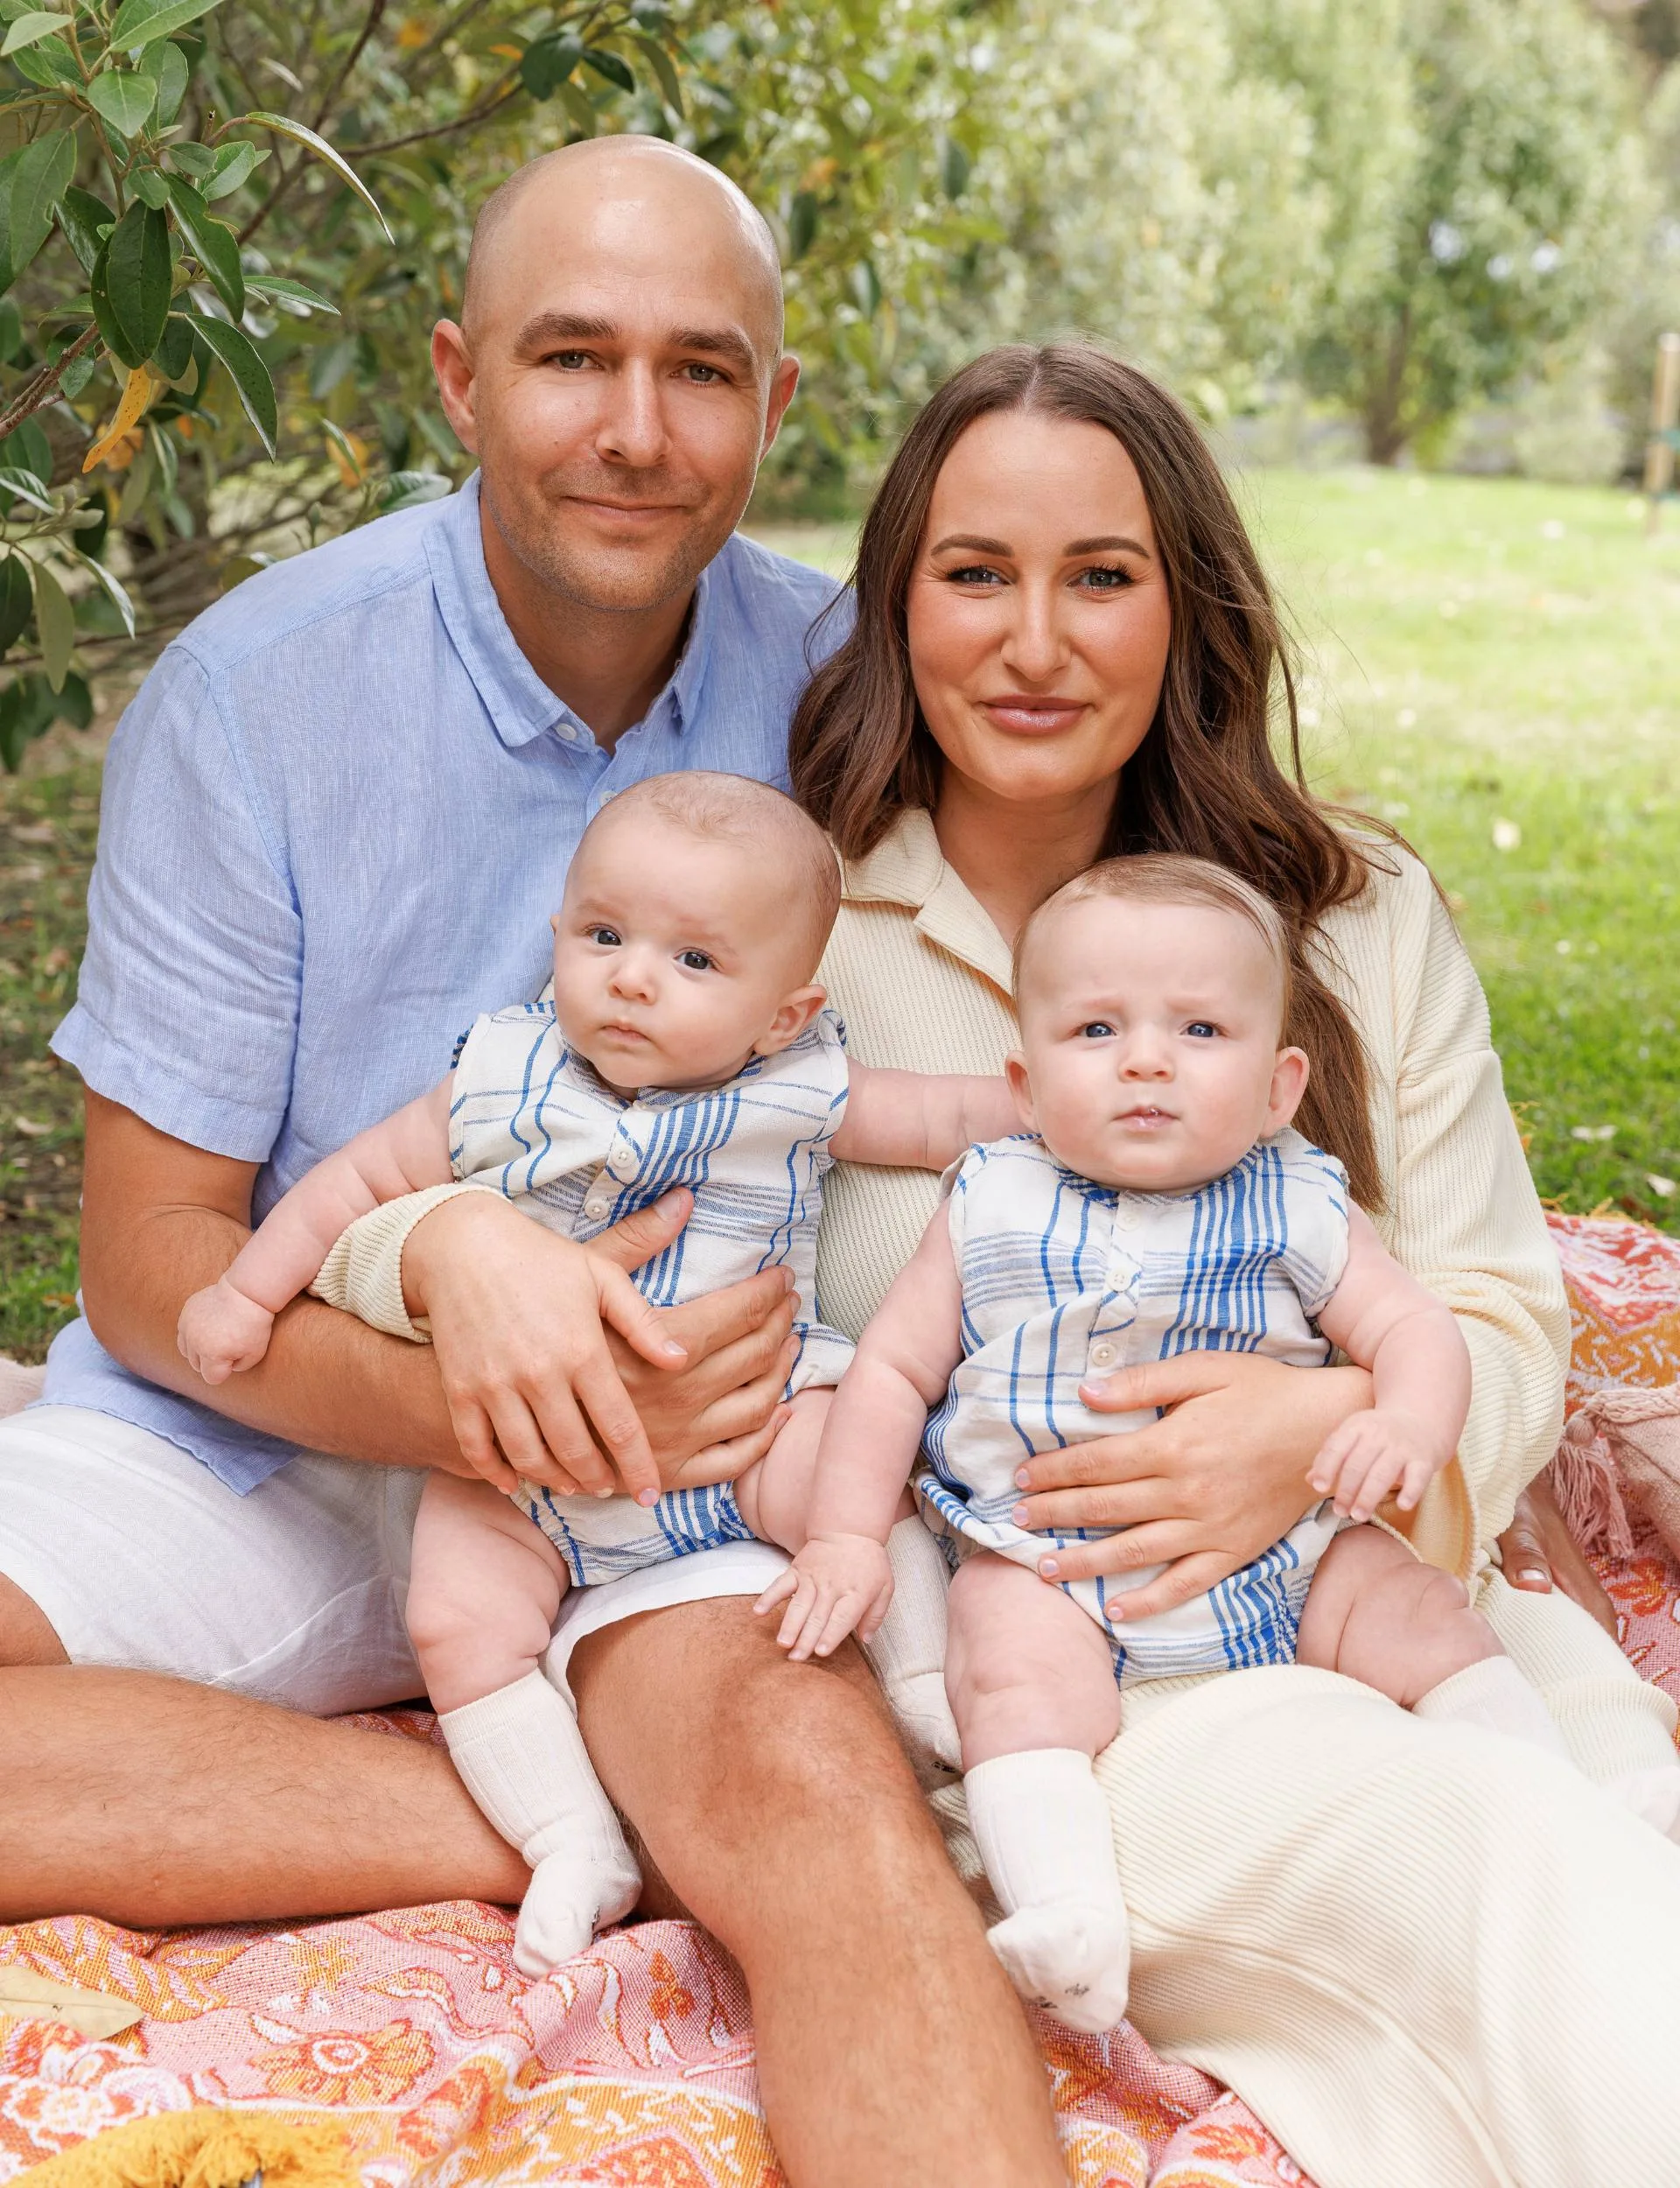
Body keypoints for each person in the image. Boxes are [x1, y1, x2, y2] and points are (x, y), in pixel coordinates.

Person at [334, 341, 1680, 2184]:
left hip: (1387, 1569)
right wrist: (456, 1241)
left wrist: (1324, 1422)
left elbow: (1501, 1303)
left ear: (1186, 600)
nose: (1034, 639)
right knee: (1487, 1862)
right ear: (899, 603)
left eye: (1099, 575)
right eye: (976, 574)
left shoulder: (1350, 917)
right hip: (1082, 1685)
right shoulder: (793, 940)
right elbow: (510, 1128)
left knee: (1619, 1800)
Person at [0, 144, 1072, 2188]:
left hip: (687, 1466)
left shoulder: (854, 680)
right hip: (266, 1429)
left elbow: (1116, 825)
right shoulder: (254, 695)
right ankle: (506, 1806)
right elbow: (154, 1264)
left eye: (703, 369)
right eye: (574, 356)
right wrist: (459, 1360)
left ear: (774, 401)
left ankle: (689, 1790)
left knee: (837, 1825)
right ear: (459, 377)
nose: (638, 431)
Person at [761, 852, 1674, 2034]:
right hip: (1054, 1559)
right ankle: (1065, 1908)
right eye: (1097, 1029)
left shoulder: (1296, 1201)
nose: (1147, 1059)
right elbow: (891, 1368)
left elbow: (1413, 1327)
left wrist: (1399, 1419)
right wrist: (844, 1535)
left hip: (1290, 1546)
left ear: (1280, 1085)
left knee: (1419, 1613)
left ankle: (1548, 1800)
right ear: (1027, 1084)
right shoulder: (989, 1199)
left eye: (1199, 1029)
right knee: (1004, 1669)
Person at [176, 770, 1011, 1975]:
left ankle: (930, 1681)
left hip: (748, 1434)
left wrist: (1069, 1107)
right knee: (456, 1618)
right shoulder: (497, 1085)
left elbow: (943, 1121)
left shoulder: (799, 1088)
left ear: (785, 1014)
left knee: (853, 1475)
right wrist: (248, 1293)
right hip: (525, 1472)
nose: (631, 978)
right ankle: (569, 1838)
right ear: (558, 934)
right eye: (605, 936)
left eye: (694, 962)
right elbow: (359, 1184)